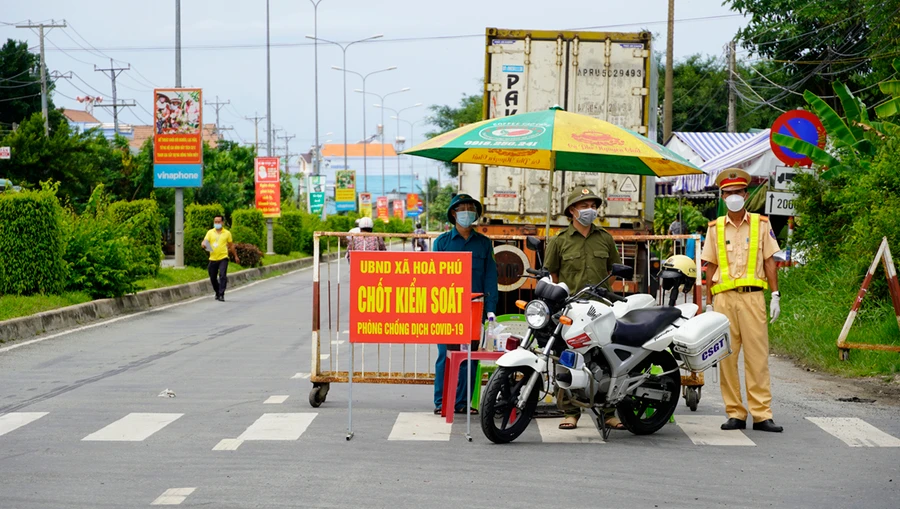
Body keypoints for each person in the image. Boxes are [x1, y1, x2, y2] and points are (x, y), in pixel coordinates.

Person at [702, 168, 783, 433]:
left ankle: (761, 414)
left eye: (738, 192)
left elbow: (770, 261)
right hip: (724, 300)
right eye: (728, 193)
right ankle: (735, 413)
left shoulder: (762, 224)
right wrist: (708, 304)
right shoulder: (714, 229)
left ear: (746, 195)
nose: (733, 196)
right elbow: (709, 268)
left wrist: (775, 295)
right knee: (727, 357)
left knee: (757, 358)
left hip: (753, 298)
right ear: (722, 196)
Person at [544, 187, 623, 431]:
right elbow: (553, 274)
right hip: (571, 308)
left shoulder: (605, 238)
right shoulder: (559, 240)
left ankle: (609, 411)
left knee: (606, 357)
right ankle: (570, 412)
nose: (590, 210)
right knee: (568, 358)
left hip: (600, 307)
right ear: (572, 210)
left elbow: (614, 270)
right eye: (584, 205)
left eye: (593, 205)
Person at [432, 194, 498, 416]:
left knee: (470, 356)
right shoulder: (442, 243)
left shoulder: (484, 243)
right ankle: (442, 401)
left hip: (474, 308)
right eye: (463, 208)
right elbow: (433, 277)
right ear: (454, 213)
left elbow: (490, 277)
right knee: (446, 355)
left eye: (471, 208)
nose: (467, 212)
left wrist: (490, 309)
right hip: (448, 307)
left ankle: (462, 402)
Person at [202, 215, 239, 302]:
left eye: (219, 222)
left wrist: (235, 256)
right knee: (212, 277)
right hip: (213, 258)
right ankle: (217, 291)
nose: (217, 223)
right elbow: (205, 241)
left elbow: (231, 245)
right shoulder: (210, 232)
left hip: (223, 257)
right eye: (215, 222)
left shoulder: (227, 233)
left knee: (222, 275)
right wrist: (203, 244)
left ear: (222, 222)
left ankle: (221, 294)